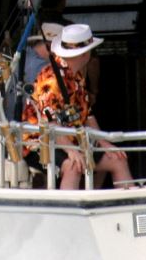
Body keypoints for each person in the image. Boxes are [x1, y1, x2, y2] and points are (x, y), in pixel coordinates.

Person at [23, 24, 132, 190]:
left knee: (118, 159)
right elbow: (50, 124)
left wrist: (105, 143)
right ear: (85, 53)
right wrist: (71, 150)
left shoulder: (77, 75)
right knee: (73, 166)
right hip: (40, 142)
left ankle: (127, 207)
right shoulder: (50, 80)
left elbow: (87, 115)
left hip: (70, 138)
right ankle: (65, 213)